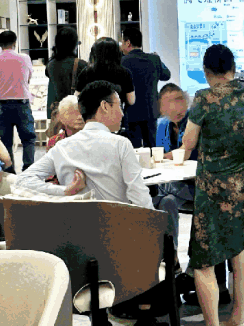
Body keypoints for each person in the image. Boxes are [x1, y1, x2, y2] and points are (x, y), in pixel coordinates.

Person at [15, 81, 180, 251]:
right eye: (119, 106)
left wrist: (65, 191)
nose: (122, 113)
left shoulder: (61, 147)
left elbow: (22, 181)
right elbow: (139, 197)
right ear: (105, 106)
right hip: (120, 241)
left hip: (76, 243)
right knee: (168, 203)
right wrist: (154, 235)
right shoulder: (121, 144)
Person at [181, 44, 244, 326]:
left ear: (207, 72)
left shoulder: (204, 99)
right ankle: (238, 320)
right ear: (233, 68)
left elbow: (188, 143)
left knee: (203, 261)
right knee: (241, 255)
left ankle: (213, 325)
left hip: (213, 192)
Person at [153, 83, 231, 305]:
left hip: (202, 185)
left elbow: (187, 154)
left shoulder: (197, 122)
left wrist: (166, 157)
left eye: (179, 100)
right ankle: (172, 262)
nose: (176, 107)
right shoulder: (162, 126)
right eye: (169, 102)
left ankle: (202, 278)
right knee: (164, 201)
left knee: (202, 208)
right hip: (179, 185)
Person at [0, 30, 37, 172]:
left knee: (5, 141)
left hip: (2, 105)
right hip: (22, 105)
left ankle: (9, 172)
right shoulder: (24, 58)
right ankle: (28, 170)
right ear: (15, 43)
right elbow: (28, 78)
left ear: (0, 44)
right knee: (28, 139)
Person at [120, 28, 171, 149]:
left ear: (128, 43)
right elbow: (167, 75)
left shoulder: (123, 61)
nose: (121, 46)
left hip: (132, 112)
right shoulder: (154, 59)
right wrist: (159, 59)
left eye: (122, 42)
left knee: (134, 149)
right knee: (152, 149)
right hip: (151, 112)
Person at [75, 37, 136, 107]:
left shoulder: (85, 73)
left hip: (92, 112)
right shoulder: (125, 73)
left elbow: (76, 99)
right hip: (115, 112)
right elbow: (131, 101)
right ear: (117, 53)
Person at [45, 27, 87, 119]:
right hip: (75, 112)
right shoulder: (81, 64)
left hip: (56, 112)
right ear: (74, 44)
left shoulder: (50, 64)